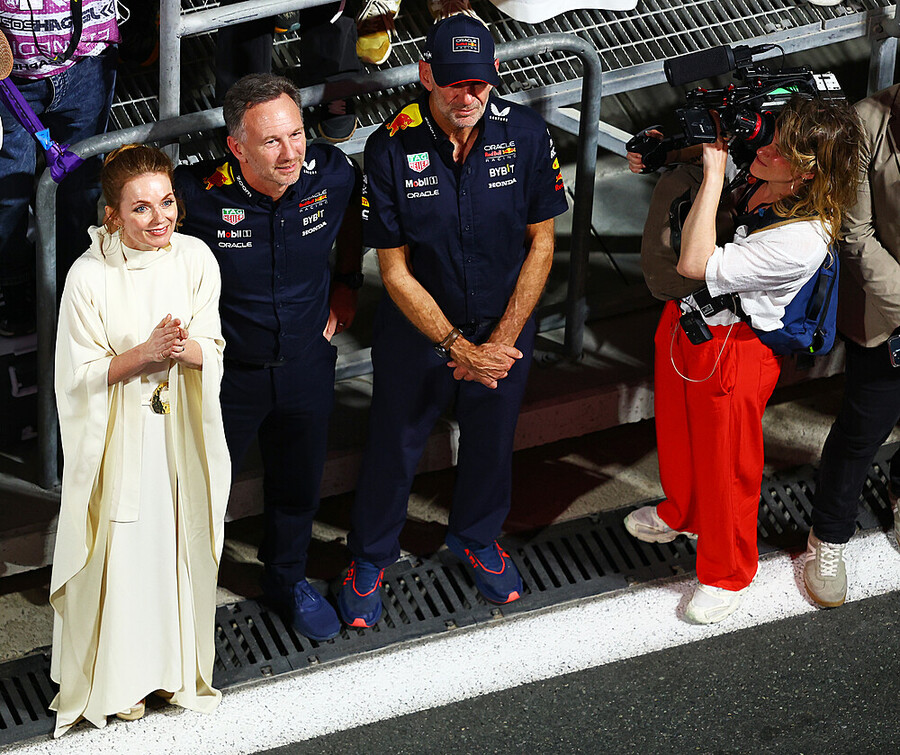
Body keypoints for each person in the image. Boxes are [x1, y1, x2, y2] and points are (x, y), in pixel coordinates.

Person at [338, 14, 568, 627]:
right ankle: (369, 556)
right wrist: (456, 346)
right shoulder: (389, 146)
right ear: (426, 75)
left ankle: (477, 537)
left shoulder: (525, 133)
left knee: (492, 440)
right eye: (453, 83)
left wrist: (500, 341)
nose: (467, 97)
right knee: (395, 444)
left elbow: (542, 244)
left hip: (504, 327)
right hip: (418, 331)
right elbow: (393, 270)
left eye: (479, 83)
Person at [623, 97, 863, 624]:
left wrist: (713, 173)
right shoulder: (769, 170)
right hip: (686, 319)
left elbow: (694, 262)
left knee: (728, 466)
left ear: (806, 173)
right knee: (678, 435)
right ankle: (684, 513)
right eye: (771, 134)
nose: (765, 147)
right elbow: (718, 146)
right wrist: (666, 149)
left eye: (781, 149)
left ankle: (727, 572)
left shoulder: (802, 238)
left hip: (735, 346)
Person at [175, 74, 362, 641]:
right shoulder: (194, 195)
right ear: (237, 147)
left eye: (296, 134)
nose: (291, 153)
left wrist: (348, 284)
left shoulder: (332, 173)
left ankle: (287, 579)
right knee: (198, 491)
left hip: (306, 364)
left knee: (298, 487)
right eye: (272, 141)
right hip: (226, 376)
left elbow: (353, 220)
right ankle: (181, 598)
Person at [50, 144, 230, 735]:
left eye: (167, 202)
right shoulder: (88, 277)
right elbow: (75, 377)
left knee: (175, 548)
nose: (161, 219)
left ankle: (174, 674)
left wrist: (183, 350)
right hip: (120, 440)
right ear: (113, 215)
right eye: (142, 208)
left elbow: (214, 348)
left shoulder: (195, 258)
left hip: (179, 435)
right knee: (126, 558)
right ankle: (120, 683)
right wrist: (145, 354)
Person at [806, 84, 900, 609]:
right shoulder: (866, 122)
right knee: (863, 429)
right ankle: (829, 535)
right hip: (887, 311)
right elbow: (856, 234)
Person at [0, 1, 119, 336]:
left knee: (80, 190)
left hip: (87, 64)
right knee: (7, 195)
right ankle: (13, 285)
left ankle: (71, 289)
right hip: (10, 79)